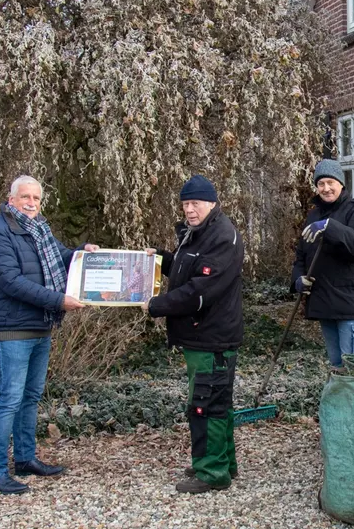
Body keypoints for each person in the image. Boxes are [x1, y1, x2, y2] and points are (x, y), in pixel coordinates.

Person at [0, 175, 99, 494]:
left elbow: (61, 257)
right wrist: (59, 300)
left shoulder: (39, 229)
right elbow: (11, 282)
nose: (32, 203)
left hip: (41, 326)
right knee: (8, 400)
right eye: (25, 197)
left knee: (30, 398)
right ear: (11, 199)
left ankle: (25, 459)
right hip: (14, 329)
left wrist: (83, 254)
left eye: (36, 198)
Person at [143, 175, 244, 494]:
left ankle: (212, 472)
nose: (189, 209)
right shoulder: (198, 233)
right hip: (202, 336)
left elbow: (200, 291)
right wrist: (160, 260)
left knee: (205, 404)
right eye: (185, 203)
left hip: (211, 336)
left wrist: (156, 305)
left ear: (212, 203)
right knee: (217, 402)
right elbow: (186, 271)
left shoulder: (221, 235)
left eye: (195, 203)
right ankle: (221, 461)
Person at [292, 159, 354, 371]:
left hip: (349, 305)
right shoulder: (314, 215)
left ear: (341, 183)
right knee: (338, 367)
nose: (326, 188)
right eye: (321, 184)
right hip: (324, 304)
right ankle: (343, 405)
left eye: (331, 182)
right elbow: (301, 254)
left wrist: (331, 227)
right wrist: (297, 279)